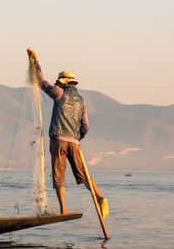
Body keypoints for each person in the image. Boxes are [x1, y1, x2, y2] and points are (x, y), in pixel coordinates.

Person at [27, 48, 109, 218]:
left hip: (58, 140)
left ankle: (63, 209)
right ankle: (100, 197)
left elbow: (41, 82)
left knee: (59, 176)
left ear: (64, 83)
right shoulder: (82, 101)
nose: (57, 85)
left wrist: (36, 62)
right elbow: (85, 126)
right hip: (74, 142)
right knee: (83, 175)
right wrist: (77, 138)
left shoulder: (59, 93)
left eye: (59, 82)